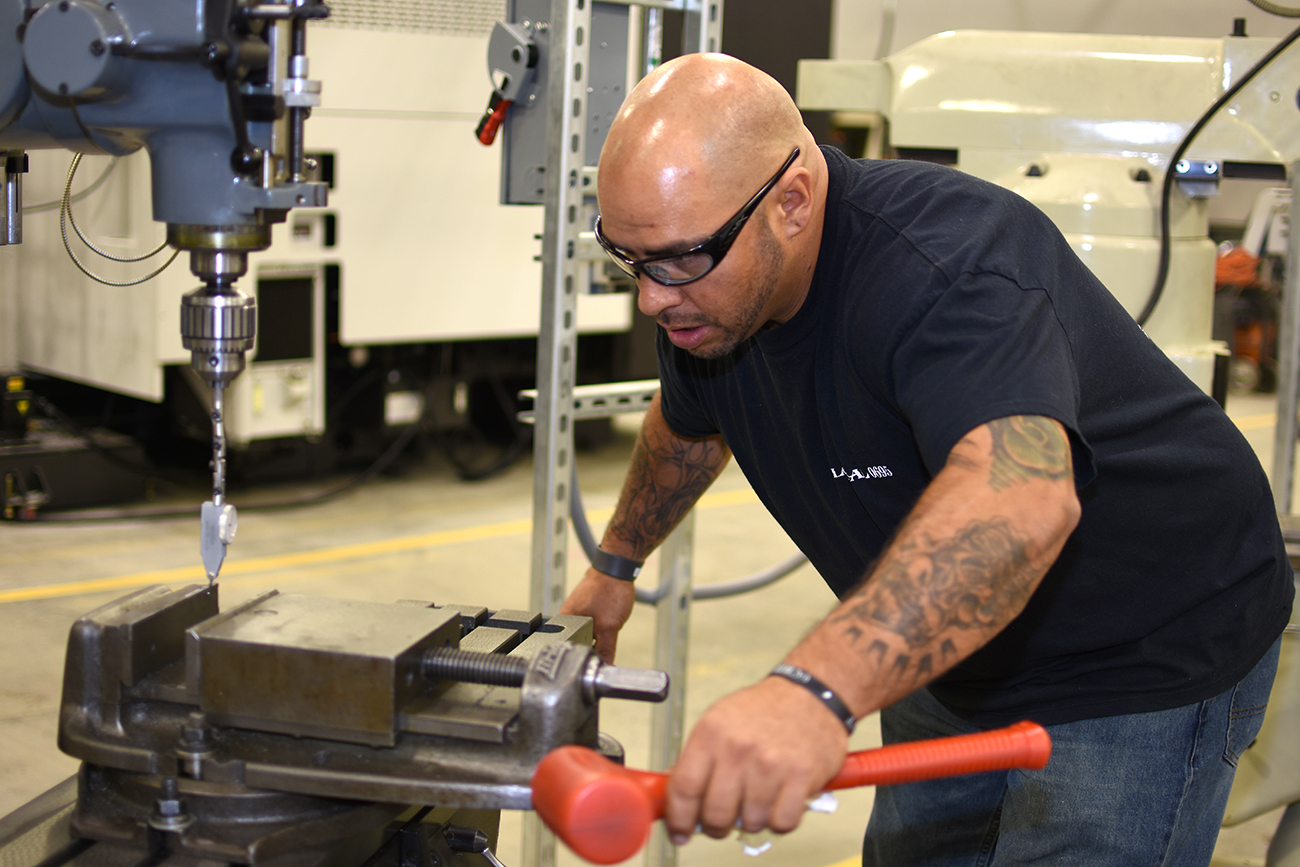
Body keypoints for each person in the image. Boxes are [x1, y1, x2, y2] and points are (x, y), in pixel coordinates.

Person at [559, 52, 1294, 865]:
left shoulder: (949, 263)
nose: (652, 297)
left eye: (678, 259)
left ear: (792, 201)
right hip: (952, 642)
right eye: (629, 258)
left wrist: (811, 690)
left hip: (1142, 645)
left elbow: (1019, 502)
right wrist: (616, 562)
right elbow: (691, 422)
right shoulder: (709, 300)